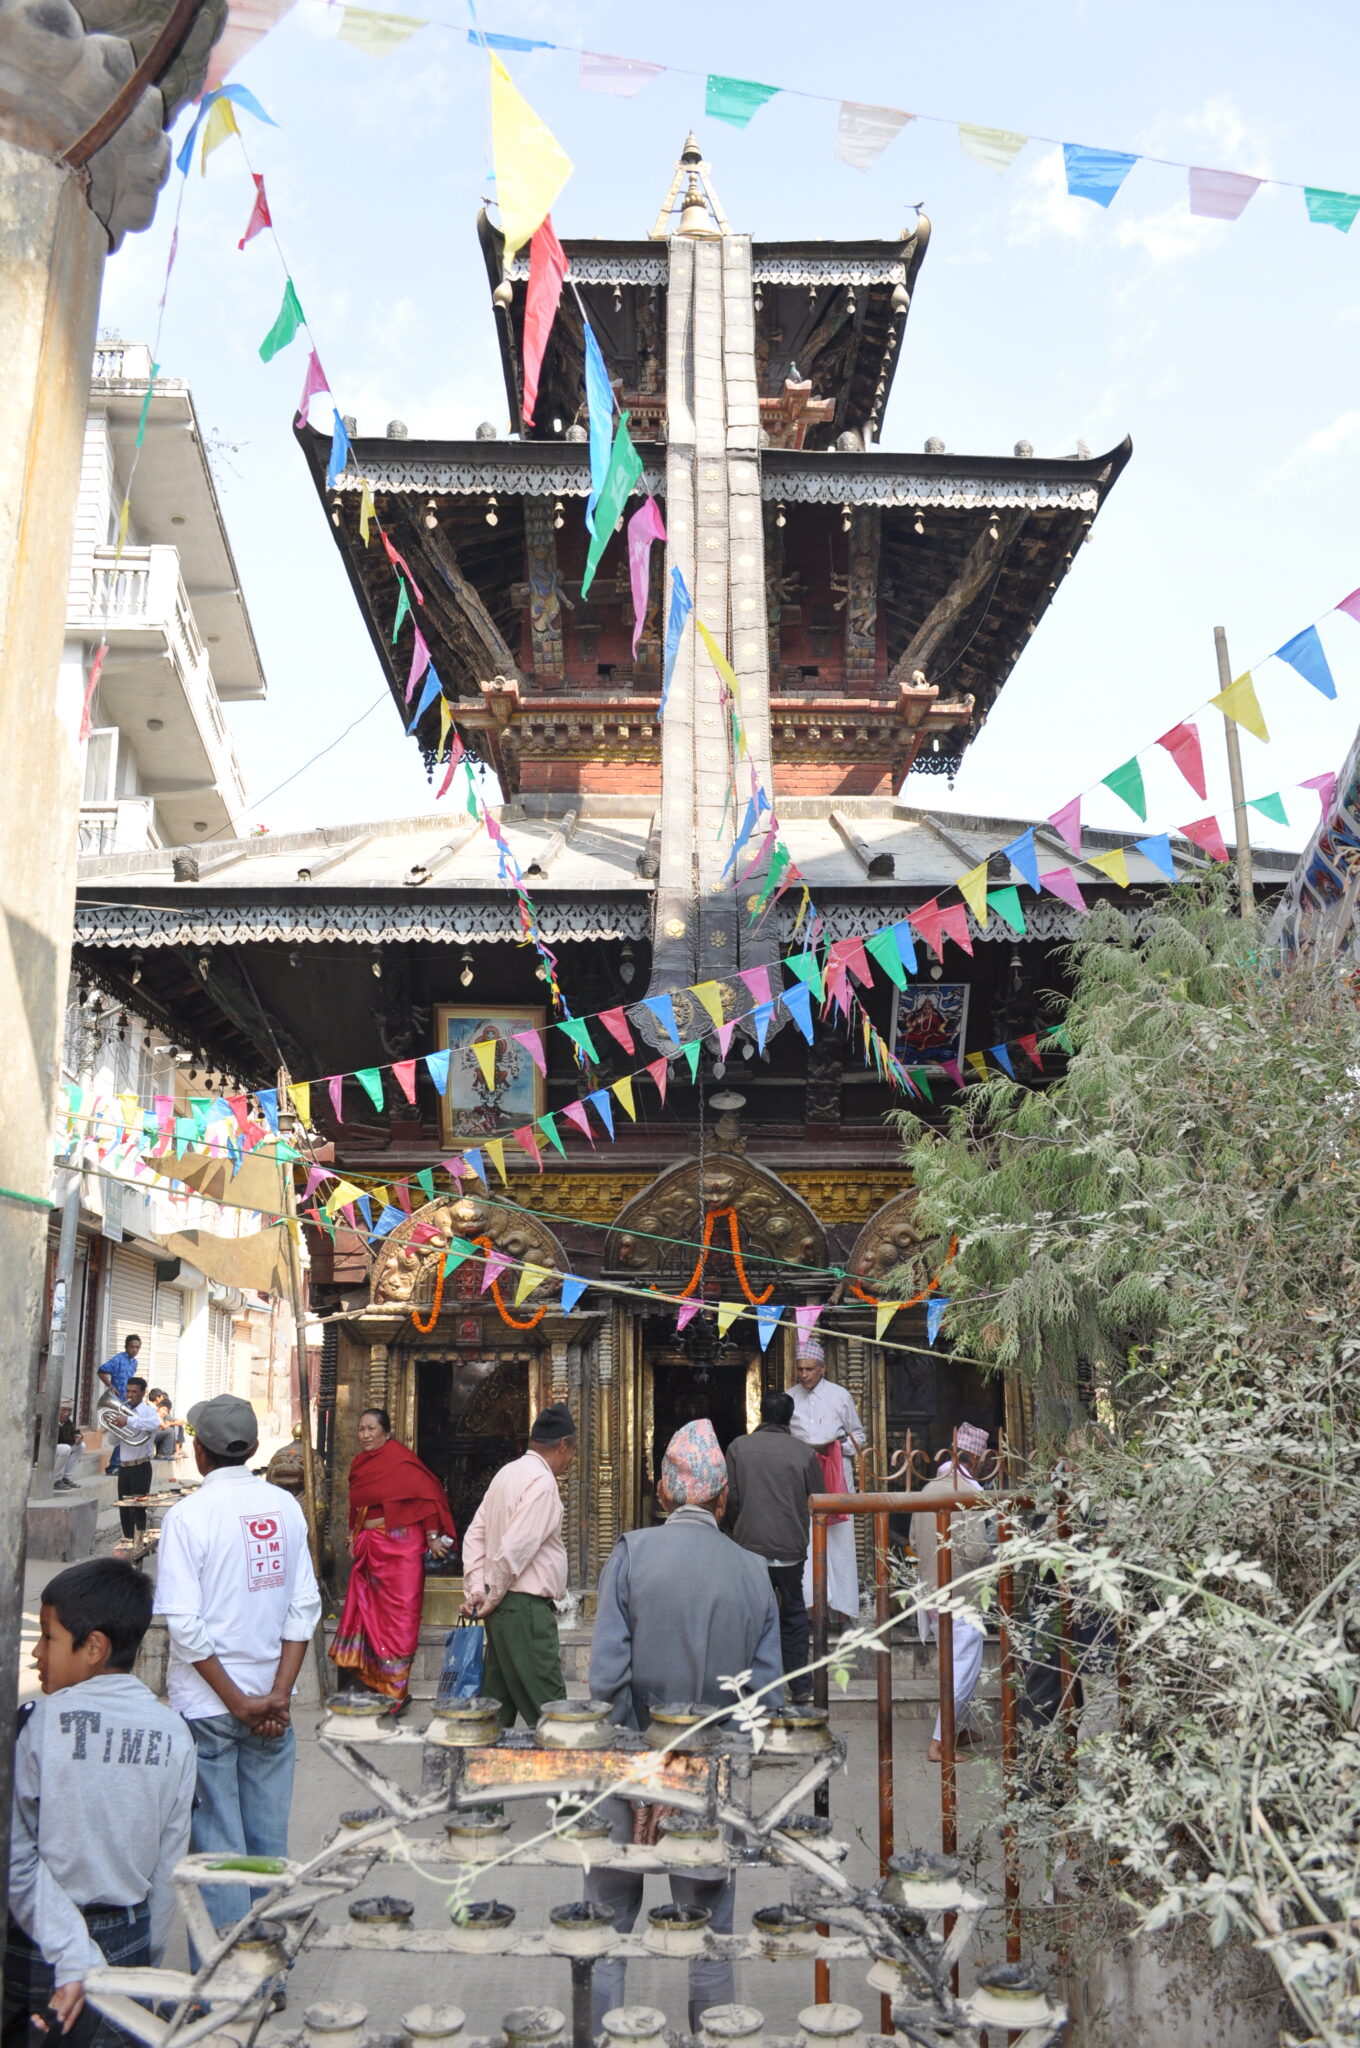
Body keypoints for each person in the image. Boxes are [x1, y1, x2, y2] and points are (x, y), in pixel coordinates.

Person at [585, 1420, 784, 2029]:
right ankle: (712, 2037)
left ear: (663, 1495)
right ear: (723, 1500)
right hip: (710, 1781)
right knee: (707, 1926)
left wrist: (645, 1774)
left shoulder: (630, 1554)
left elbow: (604, 1683)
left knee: (605, 1924)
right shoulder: (755, 1573)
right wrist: (703, 1770)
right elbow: (765, 1704)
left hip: (625, 1772)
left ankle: (601, 2037)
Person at [3, 1559, 195, 2048]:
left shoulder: (37, 1725)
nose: (36, 1653)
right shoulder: (175, 1732)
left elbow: (18, 1861)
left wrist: (73, 1953)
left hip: (40, 1941)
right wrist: (140, 1958)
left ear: (93, 1647)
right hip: (129, 1935)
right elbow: (170, 1863)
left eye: (48, 1636)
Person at [152, 1394, 321, 1938]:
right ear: (250, 1450)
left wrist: (239, 1702)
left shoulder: (188, 1516)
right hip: (271, 1704)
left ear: (199, 1451)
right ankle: (269, 1974)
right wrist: (275, 1695)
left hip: (210, 1707)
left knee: (221, 1853)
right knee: (268, 1843)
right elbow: (304, 1609)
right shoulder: (285, 1506)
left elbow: (185, 1625)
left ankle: (230, 1988)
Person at [331, 1407, 456, 1710]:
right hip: (370, 1550)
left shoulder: (402, 1461)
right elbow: (357, 1508)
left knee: (400, 1619)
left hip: (402, 1551)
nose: (365, 1435)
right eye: (361, 1429)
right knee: (368, 1615)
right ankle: (373, 1684)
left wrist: (430, 1536)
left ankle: (395, 1691)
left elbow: (427, 1498)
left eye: (371, 1429)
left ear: (386, 1432)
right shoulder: (360, 1464)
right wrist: (352, 1537)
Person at [460, 1405, 575, 1728]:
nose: (570, 1460)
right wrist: (490, 1596)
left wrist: (477, 1589)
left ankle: (481, 1771)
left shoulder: (506, 1474)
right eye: (572, 1451)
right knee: (551, 1706)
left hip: (502, 1608)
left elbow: (475, 1536)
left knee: (497, 1703)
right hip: (523, 1608)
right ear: (563, 1444)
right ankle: (564, 1772)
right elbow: (515, 1549)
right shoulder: (542, 1482)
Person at [725, 1390, 824, 1704]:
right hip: (791, 1548)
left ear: (760, 1412)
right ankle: (801, 1685)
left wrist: (739, 1530)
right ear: (789, 1418)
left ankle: (748, 1684)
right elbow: (819, 1500)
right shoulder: (803, 1453)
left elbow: (731, 1500)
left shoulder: (739, 1448)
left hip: (749, 1547)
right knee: (793, 1614)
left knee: (751, 1615)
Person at [910, 1425, 990, 1764]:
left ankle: (960, 1728)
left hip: (932, 1593)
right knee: (963, 1668)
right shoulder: (968, 1493)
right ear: (974, 1459)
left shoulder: (930, 1488)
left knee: (954, 1665)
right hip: (962, 1596)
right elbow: (975, 1551)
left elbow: (914, 1540)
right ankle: (940, 1743)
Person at [788, 1339, 866, 1627]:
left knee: (840, 1542)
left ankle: (843, 1611)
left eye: (809, 1369)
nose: (804, 1374)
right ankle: (809, 1608)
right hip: (802, 1479)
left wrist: (835, 1447)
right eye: (800, 1369)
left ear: (822, 1368)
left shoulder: (840, 1395)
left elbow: (859, 1436)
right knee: (805, 1542)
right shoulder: (790, 1397)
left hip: (836, 1476)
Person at [114, 1379, 161, 1544]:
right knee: (124, 1509)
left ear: (143, 1393)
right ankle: (128, 1543)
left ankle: (139, 1546)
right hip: (124, 1467)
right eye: (128, 1391)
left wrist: (129, 1421)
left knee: (138, 1509)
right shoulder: (123, 1411)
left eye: (134, 1392)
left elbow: (155, 1424)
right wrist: (113, 1427)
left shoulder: (148, 1412)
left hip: (141, 1466)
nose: (130, 1395)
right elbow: (114, 1442)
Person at [96, 1335, 141, 1475]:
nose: (135, 1350)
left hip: (127, 1401)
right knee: (122, 1434)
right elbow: (101, 1370)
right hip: (117, 1401)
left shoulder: (134, 1363)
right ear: (126, 1347)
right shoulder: (118, 1359)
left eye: (137, 1347)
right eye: (132, 1347)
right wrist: (110, 1386)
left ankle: (118, 1464)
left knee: (125, 1434)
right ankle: (113, 1466)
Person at [52, 1405, 82, 1491]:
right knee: (65, 1448)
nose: (67, 1413)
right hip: (43, 1450)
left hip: (59, 1448)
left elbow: (74, 1432)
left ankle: (65, 1477)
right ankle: (55, 1480)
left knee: (81, 1446)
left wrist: (78, 1436)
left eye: (69, 1411)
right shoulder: (49, 1419)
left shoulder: (67, 1421)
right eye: (64, 1410)